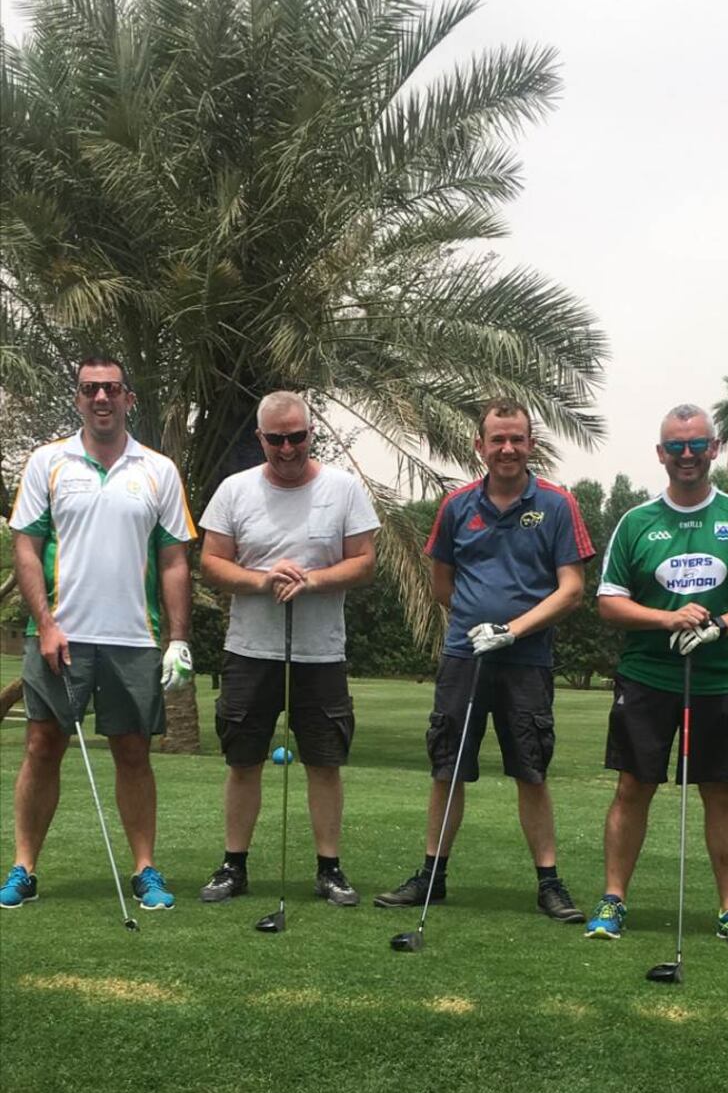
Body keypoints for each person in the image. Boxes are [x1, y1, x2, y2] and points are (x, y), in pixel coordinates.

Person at [374, 397, 595, 922]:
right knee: (447, 769)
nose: (508, 448)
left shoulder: (558, 504)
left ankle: (549, 883)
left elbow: (572, 590)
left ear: (531, 444)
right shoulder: (457, 506)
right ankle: (432, 876)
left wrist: (511, 630)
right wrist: (479, 628)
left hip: (527, 660)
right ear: (480, 445)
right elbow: (442, 585)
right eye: (497, 439)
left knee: (532, 772)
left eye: (517, 438)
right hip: (463, 656)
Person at [585, 403, 728, 948]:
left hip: (719, 678)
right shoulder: (637, 521)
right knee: (633, 787)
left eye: (697, 444)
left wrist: (719, 625)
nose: (687, 455)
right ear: (660, 454)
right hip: (647, 676)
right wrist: (667, 618)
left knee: (721, 792)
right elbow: (608, 602)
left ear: (714, 449)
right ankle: (612, 900)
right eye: (676, 446)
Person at [1, 355, 195, 912]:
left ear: (128, 398)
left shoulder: (157, 469)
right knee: (42, 746)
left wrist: (178, 638)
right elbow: (27, 547)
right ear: (79, 398)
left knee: (133, 752)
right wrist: (45, 624)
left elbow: (174, 560)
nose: (101, 398)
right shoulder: (48, 462)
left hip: (134, 638)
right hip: (62, 634)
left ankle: (145, 870)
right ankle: (24, 868)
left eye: (111, 388)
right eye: (91, 389)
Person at [198, 390, 378, 909]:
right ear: (261, 438)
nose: (286, 447)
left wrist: (314, 580)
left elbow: (364, 562)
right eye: (275, 438)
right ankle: (234, 866)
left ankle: (330, 869)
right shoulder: (235, 490)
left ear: (311, 433)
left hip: (320, 653)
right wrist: (261, 580)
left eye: (296, 436)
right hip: (249, 649)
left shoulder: (343, 489)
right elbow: (211, 562)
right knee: (243, 759)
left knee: (324, 761)